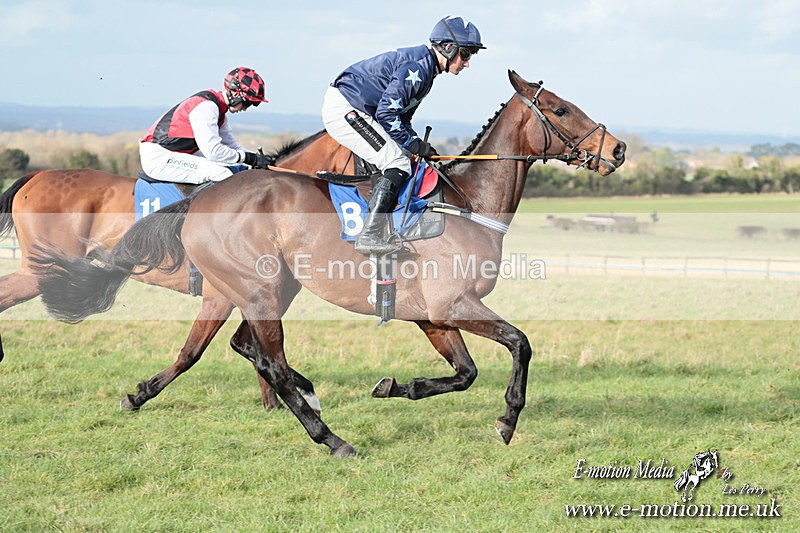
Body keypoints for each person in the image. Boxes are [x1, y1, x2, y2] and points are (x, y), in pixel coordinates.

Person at [322, 16, 484, 255]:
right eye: (467, 54)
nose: (467, 63)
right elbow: (388, 114)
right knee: (396, 162)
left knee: (404, 158)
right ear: (448, 48)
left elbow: (402, 118)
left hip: (361, 109)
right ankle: (370, 235)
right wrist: (413, 145)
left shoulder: (427, 70)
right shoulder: (418, 67)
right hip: (347, 108)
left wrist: (415, 145)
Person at [139, 67, 274, 184]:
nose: (245, 109)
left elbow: (232, 146)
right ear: (235, 93)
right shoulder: (207, 108)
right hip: (158, 157)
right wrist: (248, 158)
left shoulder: (220, 112)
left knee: (231, 166)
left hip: (173, 153)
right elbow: (213, 152)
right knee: (221, 174)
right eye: (247, 103)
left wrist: (257, 159)